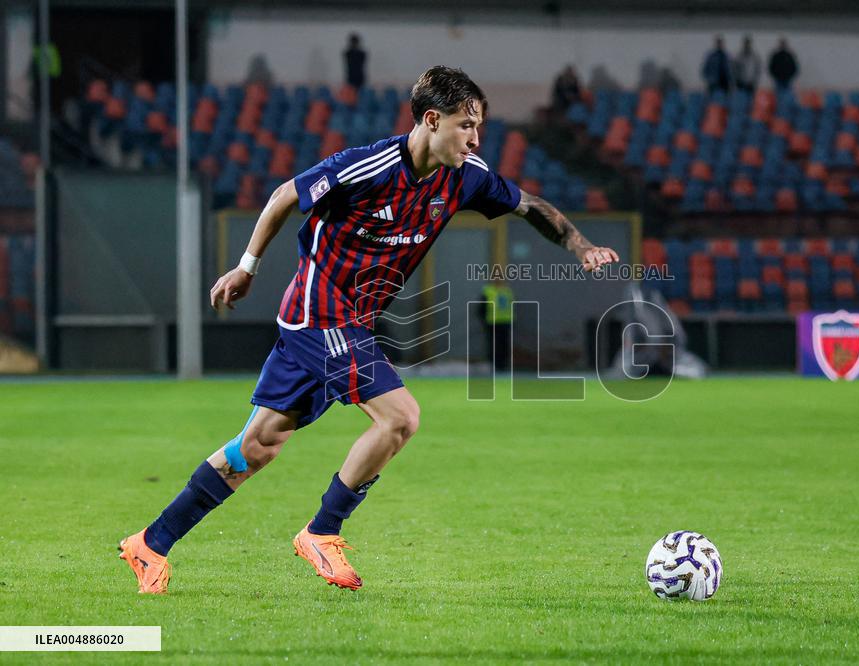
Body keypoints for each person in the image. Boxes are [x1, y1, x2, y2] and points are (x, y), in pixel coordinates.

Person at [117, 66, 620, 594]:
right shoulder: (369, 165)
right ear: (432, 119)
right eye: (466, 125)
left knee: (258, 445)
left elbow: (529, 205)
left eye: (479, 127)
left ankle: (150, 543)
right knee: (400, 418)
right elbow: (284, 196)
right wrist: (246, 267)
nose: (476, 138)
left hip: (342, 322)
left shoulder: (465, 175)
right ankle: (322, 532)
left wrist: (580, 246)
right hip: (320, 315)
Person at [480, 278, 514, 371]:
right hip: (492, 322)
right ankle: (494, 364)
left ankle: (503, 364)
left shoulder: (507, 291)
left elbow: (511, 305)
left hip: (505, 321)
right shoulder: (488, 291)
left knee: (504, 344)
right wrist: (483, 320)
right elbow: (482, 307)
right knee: (493, 344)